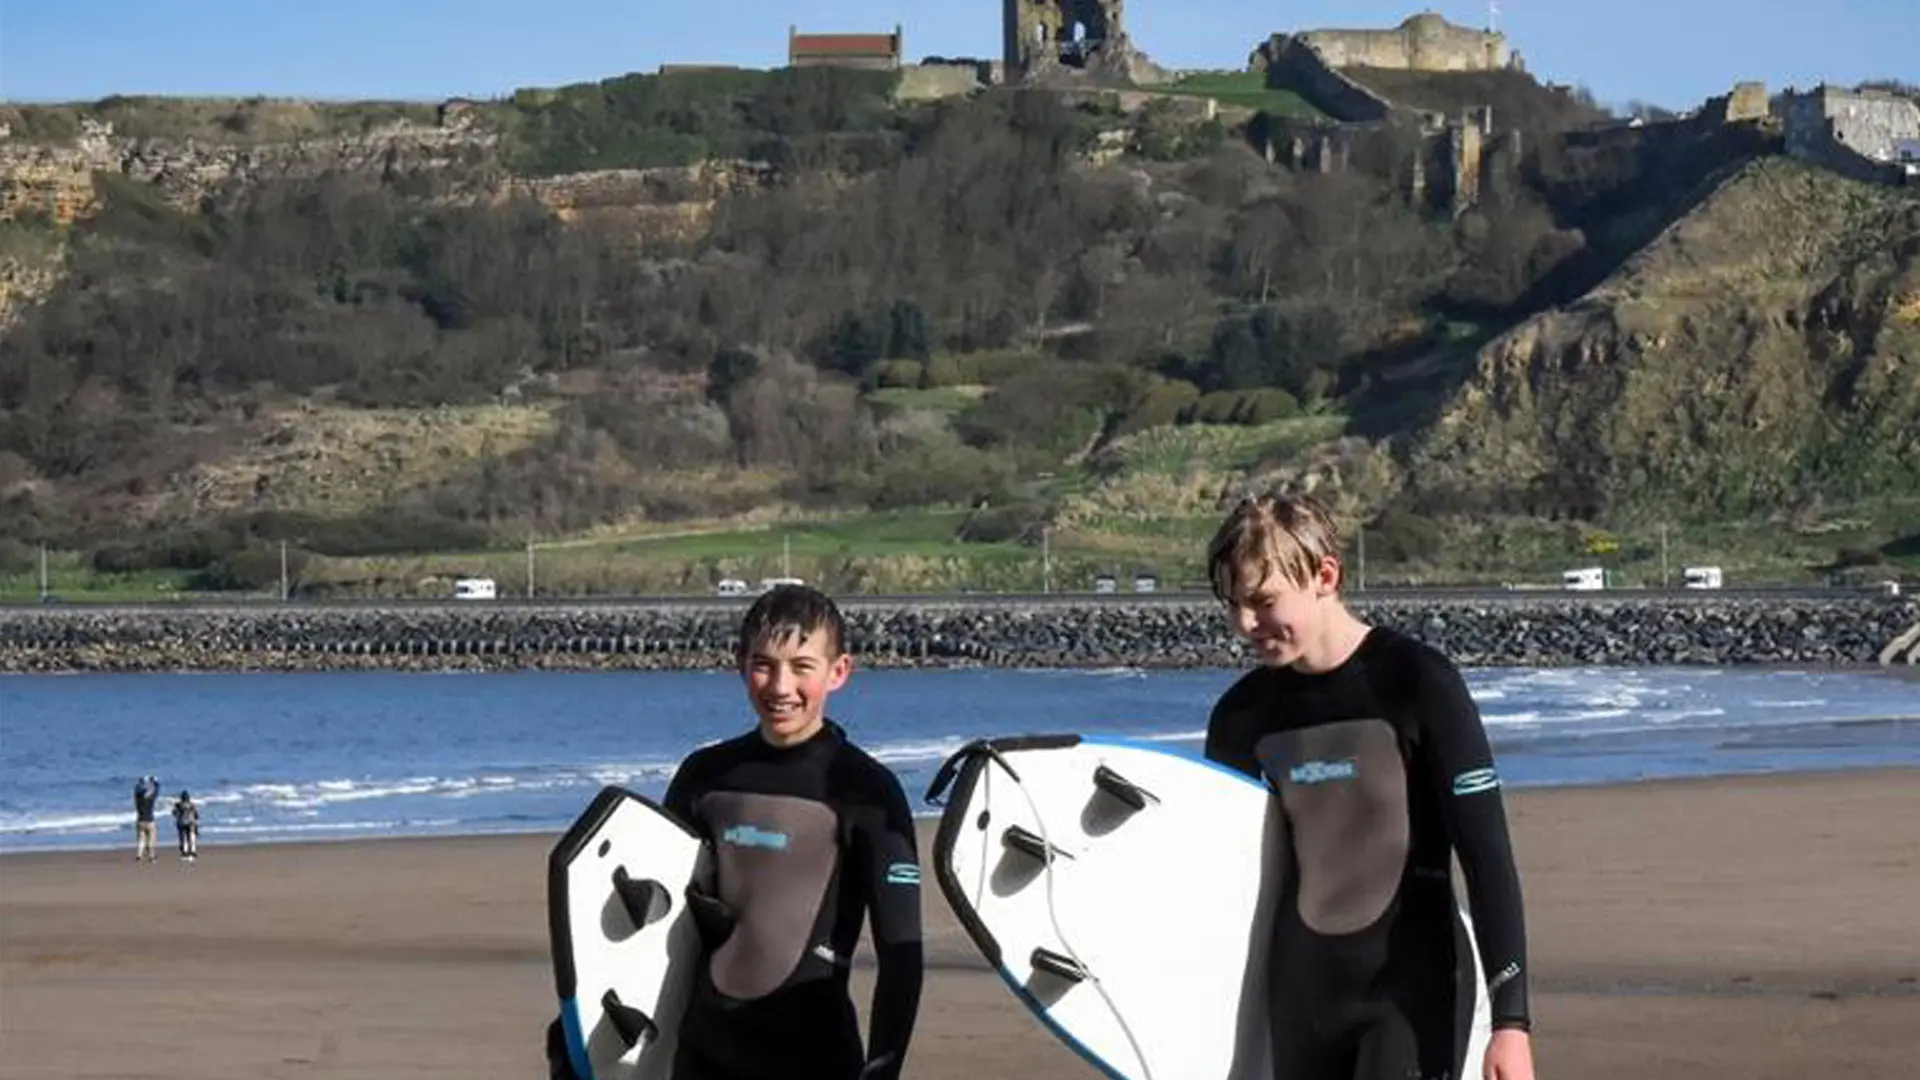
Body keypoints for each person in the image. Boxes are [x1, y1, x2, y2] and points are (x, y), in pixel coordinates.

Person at [1201, 491, 1537, 1080]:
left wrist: (1512, 1023)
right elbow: (1222, 887)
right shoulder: (1241, 717)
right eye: (1232, 605)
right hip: (1295, 1005)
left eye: (1261, 601)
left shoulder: (1418, 683)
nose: (1244, 625)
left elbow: (1487, 858)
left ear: (1325, 574)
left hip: (1409, 995)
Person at [546, 584, 925, 1080]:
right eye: (764, 664)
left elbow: (901, 955)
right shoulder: (705, 776)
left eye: (801, 666)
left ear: (839, 672)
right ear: (740, 663)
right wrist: (583, 1038)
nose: (780, 686)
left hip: (814, 1058)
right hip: (703, 1055)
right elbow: (655, 930)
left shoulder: (867, 793)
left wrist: (885, 1062)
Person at [132, 775, 159, 865]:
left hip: (140, 820)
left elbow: (136, 790)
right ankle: (151, 857)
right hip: (150, 820)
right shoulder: (151, 799)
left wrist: (141, 782)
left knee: (141, 840)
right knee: (151, 839)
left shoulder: (138, 798)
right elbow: (156, 790)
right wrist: (154, 781)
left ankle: (139, 856)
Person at [172, 790, 200, 862]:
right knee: (191, 836)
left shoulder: (178, 805)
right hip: (191, 822)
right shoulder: (192, 805)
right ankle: (193, 851)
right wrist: (196, 821)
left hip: (181, 822)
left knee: (183, 837)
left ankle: (185, 851)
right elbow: (196, 815)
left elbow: (174, 813)